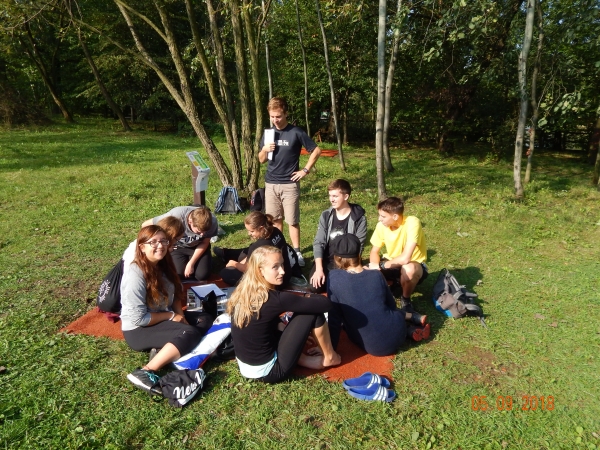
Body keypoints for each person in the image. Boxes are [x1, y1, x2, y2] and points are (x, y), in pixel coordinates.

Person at [121, 225, 214, 394]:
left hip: (162, 317)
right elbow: (138, 318)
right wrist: (171, 316)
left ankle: (167, 350)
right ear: (142, 247)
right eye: (153, 242)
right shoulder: (135, 273)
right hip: (139, 329)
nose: (160, 245)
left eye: (164, 241)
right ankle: (147, 370)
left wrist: (179, 314)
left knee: (204, 319)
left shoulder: (165, 263)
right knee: (189, 333)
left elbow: (176, 294)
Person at [227, 246, 341, 383]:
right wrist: (305, 295)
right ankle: (329, 357)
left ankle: (302, 359)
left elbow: (263, 320)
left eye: (282, 264)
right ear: (260, 271)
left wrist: (286, 329)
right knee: (312, 312)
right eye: (275, 267)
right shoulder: (276, 299)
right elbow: (325, 304)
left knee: (282, 322)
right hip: (271, 371)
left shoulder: (243, 291)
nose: (282, 271)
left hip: (247, 367)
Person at [327, 234, 430, 356]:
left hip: (374, 348)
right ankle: (411, 324)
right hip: (397, 330)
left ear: (337, 258)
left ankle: (410, 329)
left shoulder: (333, 278)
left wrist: (330, 349)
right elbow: (391, 306)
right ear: (359, 255)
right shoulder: (376, 275)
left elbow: (334, 318)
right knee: (385, 313)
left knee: (347, 323)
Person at [258, 97, 322, 266]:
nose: (275, 120)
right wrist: (264, 149)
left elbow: (316, 150)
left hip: (290, 184)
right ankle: (279, 249)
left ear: (285, 113)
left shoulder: (296, 132)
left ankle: (297, 251)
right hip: (271, 183)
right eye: (272, 117)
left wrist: (305, 170)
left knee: (292, 220)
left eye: (278, 116)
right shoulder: (269, 134)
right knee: (274, 220)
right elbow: (261, 160)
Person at [368, 197, 428, 311]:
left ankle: (405, 299)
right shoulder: (381, 226)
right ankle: (392, 287)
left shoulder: (412, 222)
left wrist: (380, 266)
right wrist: (374, 269)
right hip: (390, 262)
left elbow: (405, 258)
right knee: (363, 271)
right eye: (379, 215)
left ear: (395, 216)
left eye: (383, 216)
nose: (379, 219)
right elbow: (374, 251)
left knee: (408, 269)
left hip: (413, 263)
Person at [309, 179, 367, 293]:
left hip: (347, 262)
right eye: (330, 196)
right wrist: (319, 269)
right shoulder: (326, 215)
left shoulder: (359, 218)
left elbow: (359, 246)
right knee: (315, 287)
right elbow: (318, 242)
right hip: (327, 260)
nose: (331, 199)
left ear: (346, 196)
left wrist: (349, 269)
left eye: (335, 196)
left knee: (345, 289)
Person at [214, 211, 299, 287]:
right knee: (247, 250)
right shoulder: (276, 231)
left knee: (225, 273)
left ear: (261, 228)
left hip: (273, 282)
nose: (249, 234)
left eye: (251, 231)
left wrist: (234, 264)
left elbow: (246, 268)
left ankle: (226, 254)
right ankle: (225, 253)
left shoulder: (258, 246)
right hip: (286, 274)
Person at [142, 205, 218, 281]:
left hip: (198, 246)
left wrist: (191, 263)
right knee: (177, 275)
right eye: (198, 231)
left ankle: (201, 261)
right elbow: (146, 224)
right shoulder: (175, 216)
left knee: (201, 276)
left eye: (205, 232)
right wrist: (162, 244)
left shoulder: (212, 221)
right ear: (190, 221)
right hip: (178, 247)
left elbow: (205, 242)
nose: (202, 234)